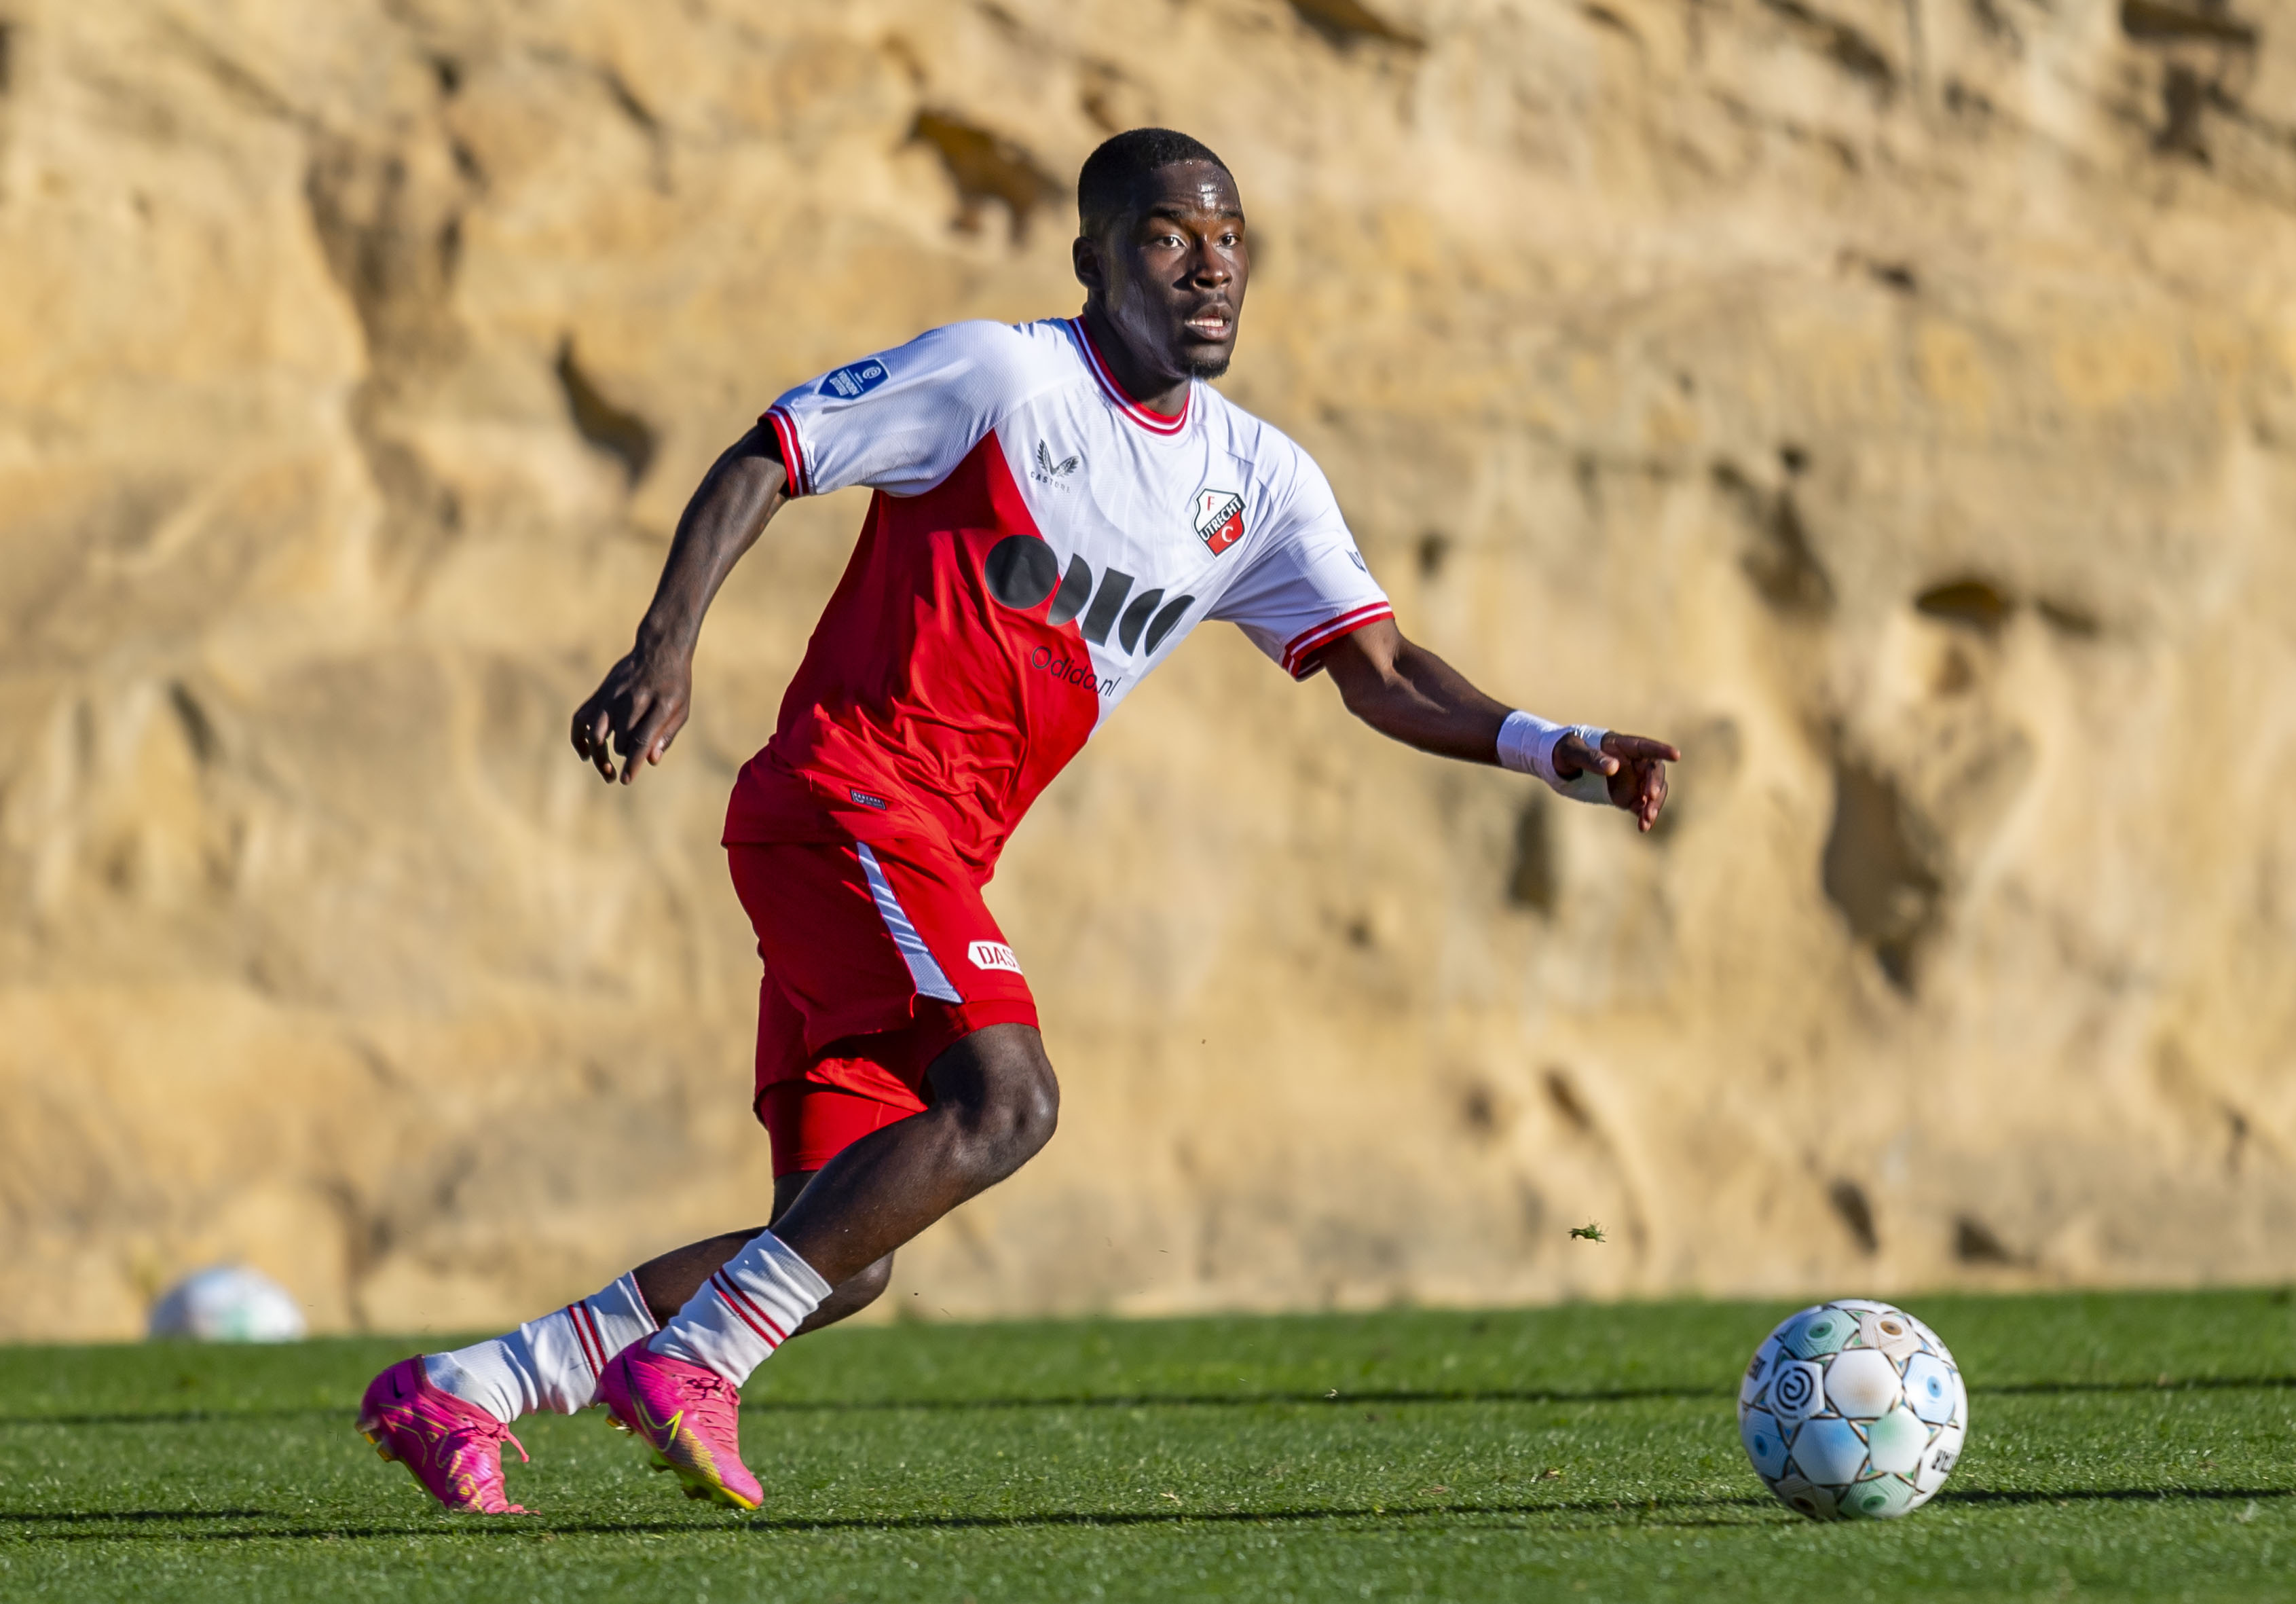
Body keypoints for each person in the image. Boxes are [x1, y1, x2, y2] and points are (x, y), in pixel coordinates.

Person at [355, 127, 1677, 1514]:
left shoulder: (1257, 483)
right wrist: (665, 646)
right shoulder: (1000, 376)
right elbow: (771, 451)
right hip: (847, 799)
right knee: (1009, 1100)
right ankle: (693, 1363)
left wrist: (1557, 748)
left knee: (842, 1247)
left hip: (922, 849)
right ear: (1093, 262)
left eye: (1227, 241)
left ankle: (476, 1383)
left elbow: (1385, 671)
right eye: (1166, 238)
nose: (1208, 268)